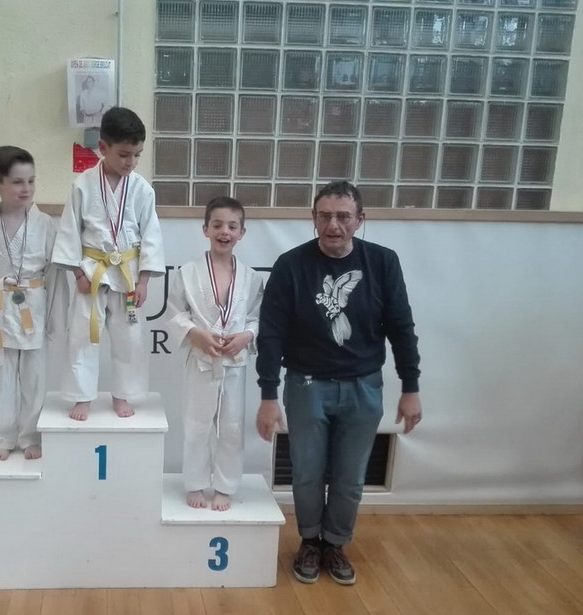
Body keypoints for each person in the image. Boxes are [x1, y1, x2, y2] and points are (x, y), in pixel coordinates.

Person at [255, 180, 421, 586]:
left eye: (343, 217)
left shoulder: (382, 262)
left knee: (350, 476)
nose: (334, 225)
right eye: (325, 216)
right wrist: (268, 394)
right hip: (307, 385)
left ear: (360, 220)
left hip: (364, 387)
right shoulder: (291, 265)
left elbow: (401, 328)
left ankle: (335, 543)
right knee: (307, 473)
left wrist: (411, 387)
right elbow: (271, 333)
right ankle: (310, 541)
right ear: (313, 219)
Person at [52, 106, 165, 420]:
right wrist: (78, 274)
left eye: (137, 155)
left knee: (129, 338)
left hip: (128, 275)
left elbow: (151, 236)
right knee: (82, 336)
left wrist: (144, 281)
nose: (131, 162)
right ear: (103, 148)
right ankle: (82, 396)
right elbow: (69, 231)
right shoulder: (82, 185)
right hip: (92, 272)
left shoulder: (142, 190)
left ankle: (122, 394)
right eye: (124, 154)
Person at [166, 197, 264, 511]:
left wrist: (247, 336)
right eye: (218, 225)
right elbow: (174, 312)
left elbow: (256, 317)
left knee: (232, 427)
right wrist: (195, 333)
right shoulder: (188, 272)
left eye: (232, 226)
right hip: (201, 361)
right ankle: (195, 483)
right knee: (197, 425)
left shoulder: (251, 277)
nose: (225, 232)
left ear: (242, 233)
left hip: (234, 363)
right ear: (205, 229)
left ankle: (225, 486)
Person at [0, 146, 58, 461]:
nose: (27, 189)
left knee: (34, 378)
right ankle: (3, 436)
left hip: (33, 304)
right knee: (1, 376)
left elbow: (54, 273)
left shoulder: (45, 223)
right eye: (18, 182)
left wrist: (53, 316)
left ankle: (31, 436)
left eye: (31, 181)